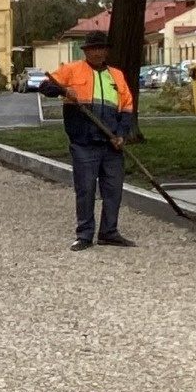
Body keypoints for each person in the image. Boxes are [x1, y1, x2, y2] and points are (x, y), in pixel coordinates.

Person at [38, 30, 136, 251]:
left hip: (111, 143)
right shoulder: (72, 70)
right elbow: (45, 86)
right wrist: (63, 89)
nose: (98, 52)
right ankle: (84, 234)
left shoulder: (116, 76)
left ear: (106, 50)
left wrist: (121, 133)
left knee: (113, 189)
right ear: (87, 51)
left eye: (102, 48)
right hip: (84, 142)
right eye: (94, 48)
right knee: (86, 189)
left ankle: (109, 232)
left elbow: (127, 107)